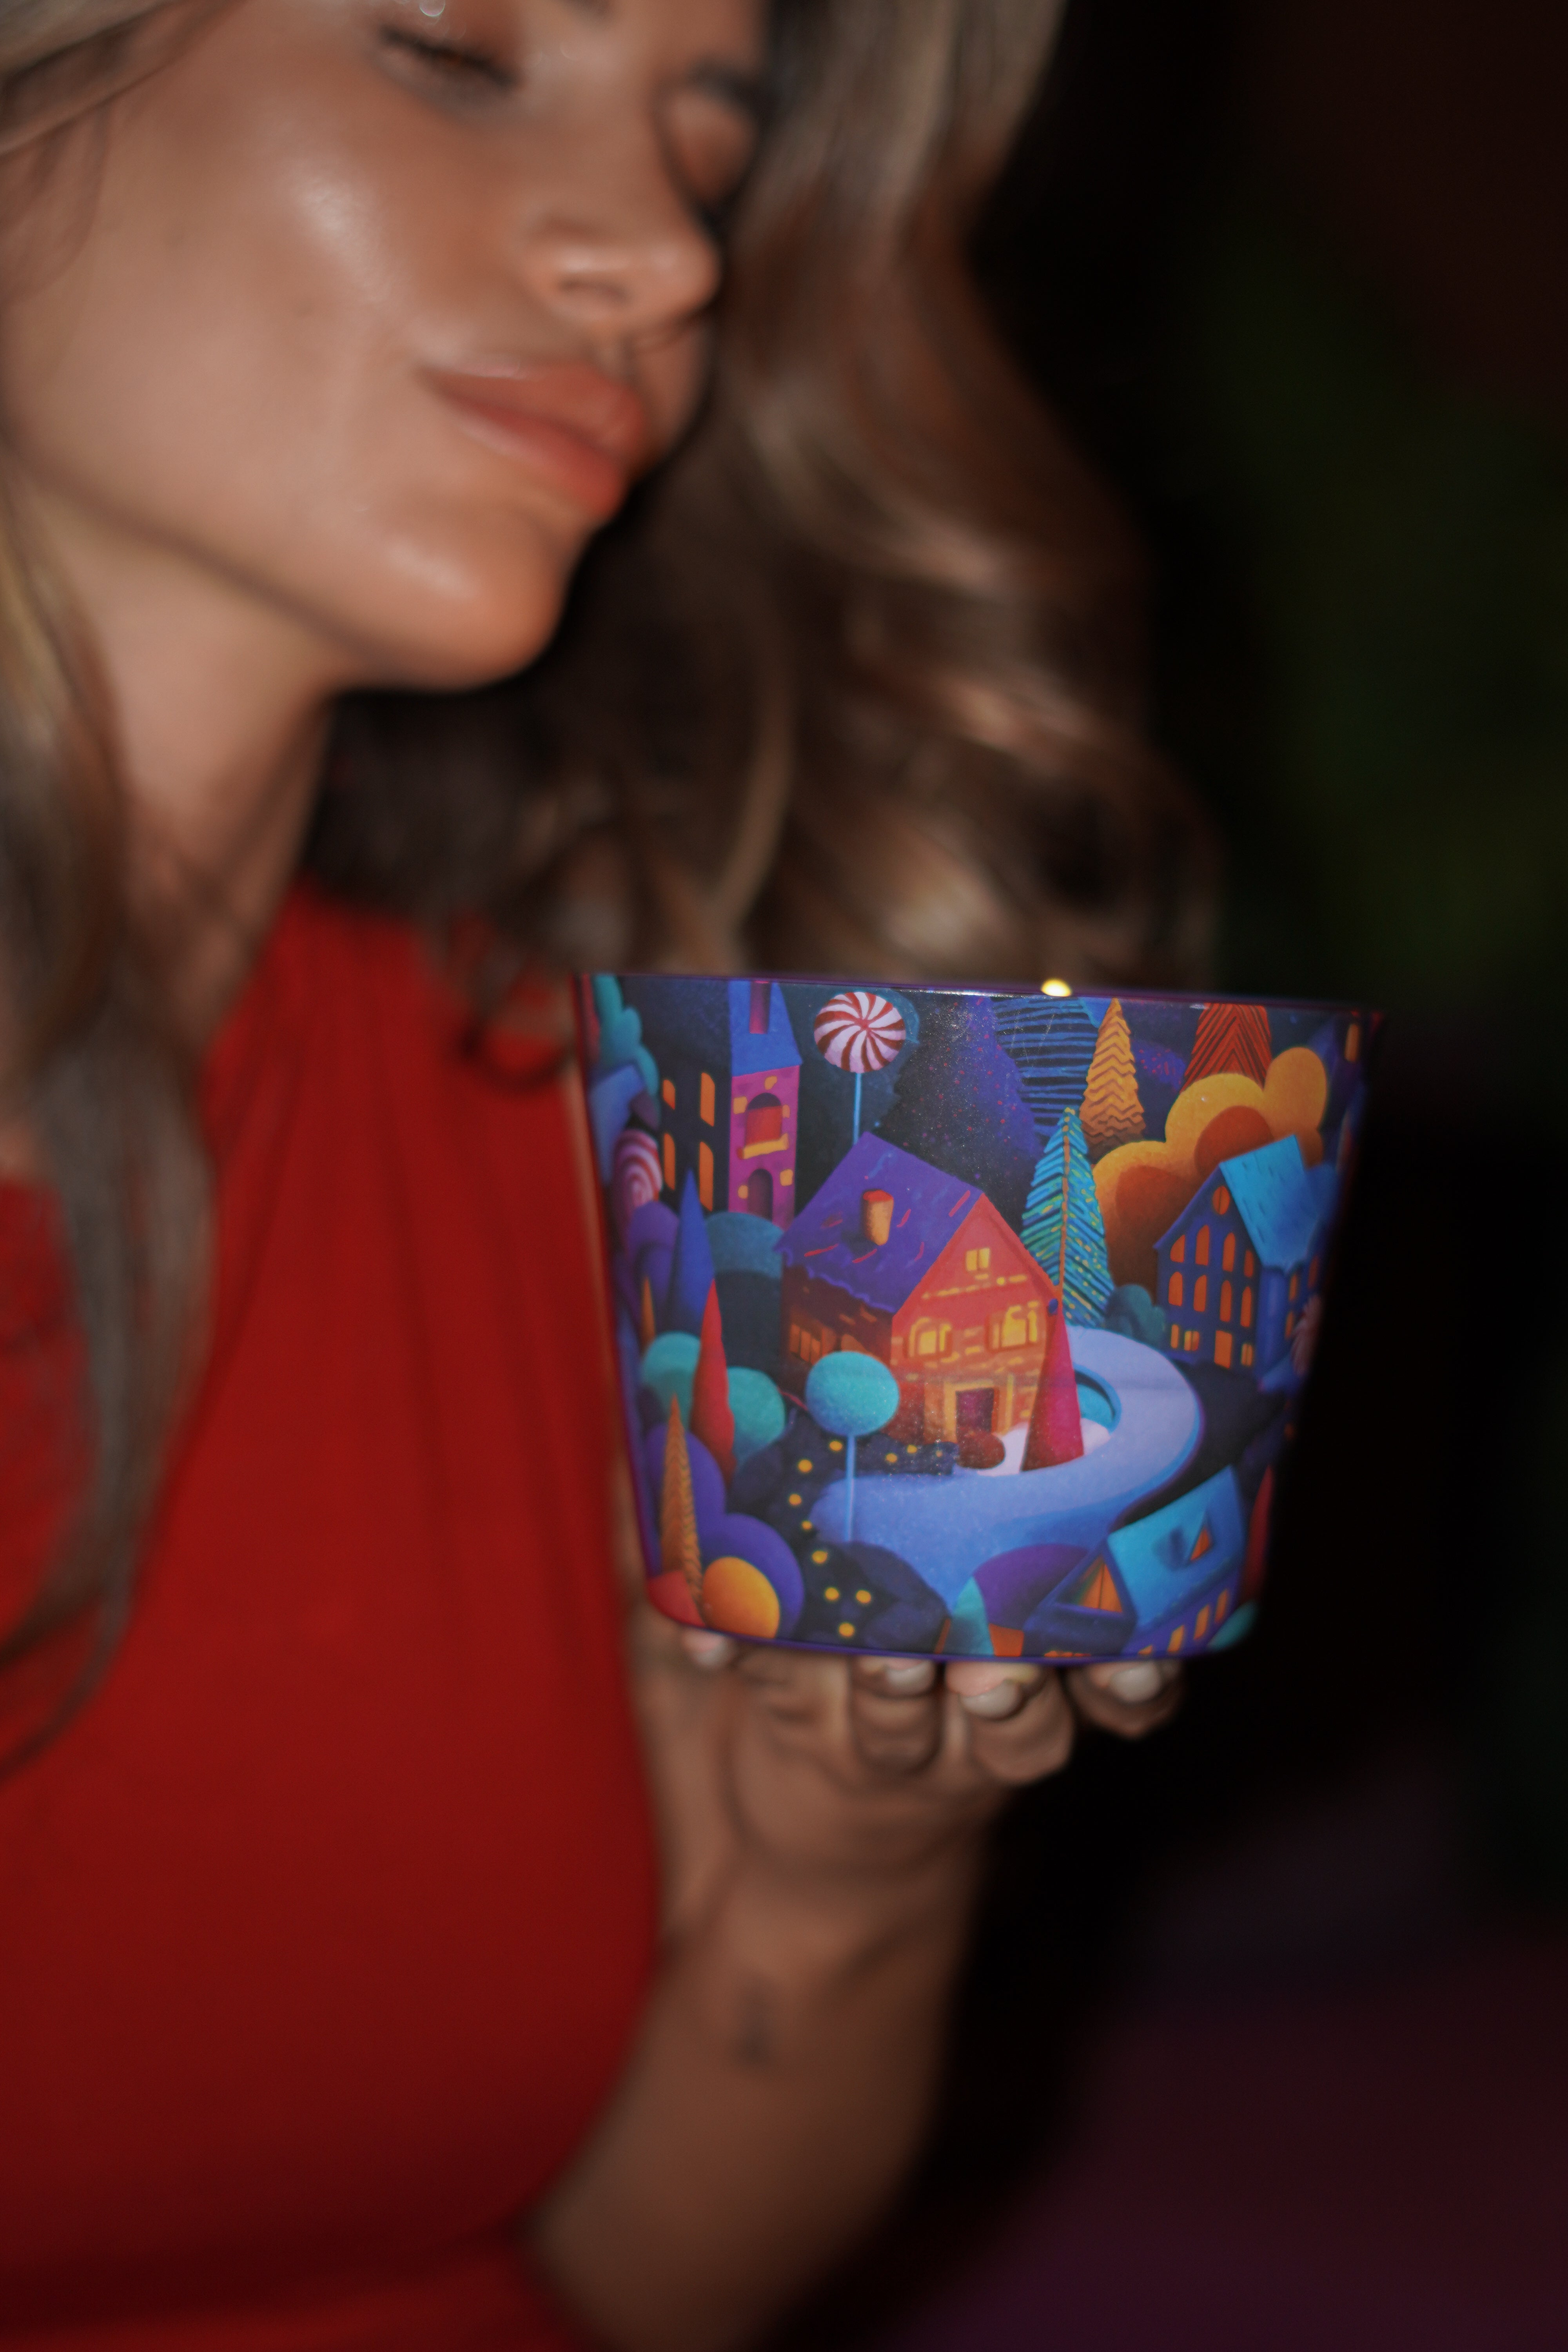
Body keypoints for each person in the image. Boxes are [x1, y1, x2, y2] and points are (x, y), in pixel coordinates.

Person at [0, 4, 1201, 2347]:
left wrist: (841, 1875)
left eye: (711, 147)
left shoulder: (621, 1149)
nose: (665, 256)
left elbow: (629, 2283)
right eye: (454, 49)